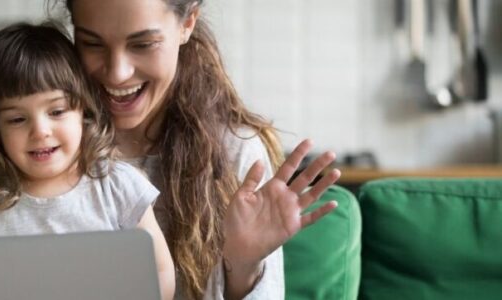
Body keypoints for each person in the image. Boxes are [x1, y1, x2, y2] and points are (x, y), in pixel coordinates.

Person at [55, 0, 342, 299]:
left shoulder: (234, 152)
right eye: (91, 43)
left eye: (143, 44)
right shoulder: (44, 148)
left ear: (187, 23)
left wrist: (242, 267)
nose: (117, 73)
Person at [0, 22, 176, 299]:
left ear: (83, 111)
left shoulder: (118, 185)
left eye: (56, 111)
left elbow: (159, 270)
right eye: (17, 119)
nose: (40, 131)